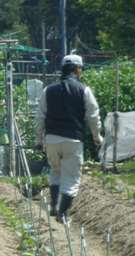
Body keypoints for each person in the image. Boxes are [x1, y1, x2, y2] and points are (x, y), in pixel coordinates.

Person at [34, 53, 102, 221]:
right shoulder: (84, 90)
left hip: (51, 139)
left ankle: (55, 207)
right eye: (81, 69)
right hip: (73, 139)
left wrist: (38, 140)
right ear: (77, 69)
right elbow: (93, 116)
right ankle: (63, 215)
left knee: (55, 172)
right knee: (71, 178)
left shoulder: (48, 90)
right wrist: (97, 137)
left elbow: (40, 117)